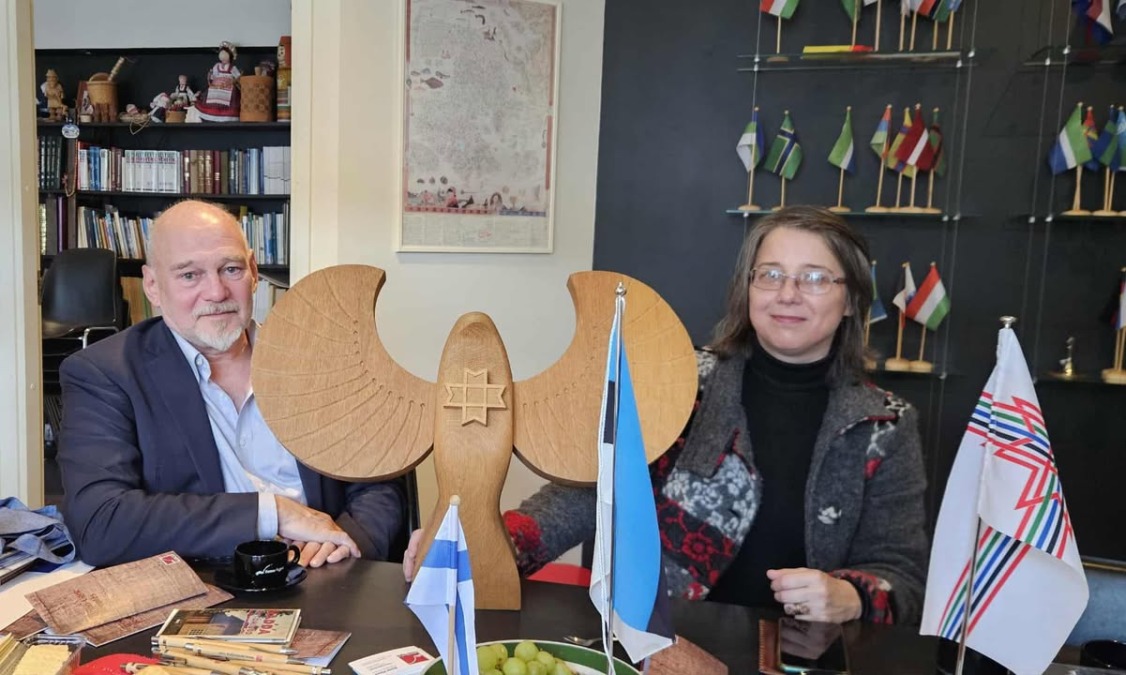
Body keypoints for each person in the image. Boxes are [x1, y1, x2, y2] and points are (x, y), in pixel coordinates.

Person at [404, 206, 929, 625]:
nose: (788, 294)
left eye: (814, 278)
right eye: (770, 274)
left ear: (851, 299)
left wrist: (849, 598)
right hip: (658, 640)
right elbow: (585, 494)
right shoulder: (678, 381)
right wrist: (481, 544)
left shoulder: (885, 423)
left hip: (795, 653)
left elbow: (901, 576)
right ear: (747, 288)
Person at [58, 200, 406, 569]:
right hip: (212, 580)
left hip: (327, 574)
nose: (217, 292)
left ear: (253, 272)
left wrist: (346, 545)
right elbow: (100, 522)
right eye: (189, 275)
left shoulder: (322, 360)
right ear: (153, 286)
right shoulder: (104, 373)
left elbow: (380, 482)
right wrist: (271, 513)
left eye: (231, 269)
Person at [191, 42, 242, 122]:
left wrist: (235, 80)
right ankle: (212, 112)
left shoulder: (232, 67)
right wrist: (211, 76)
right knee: (212, 93)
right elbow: (214, 75)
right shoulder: (217, 66)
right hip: (217, 83)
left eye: (225, 56)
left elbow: (238, 77)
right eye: (221, 55)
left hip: (228, 84)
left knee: (230, 95)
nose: (223, 58)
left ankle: (226, 114)